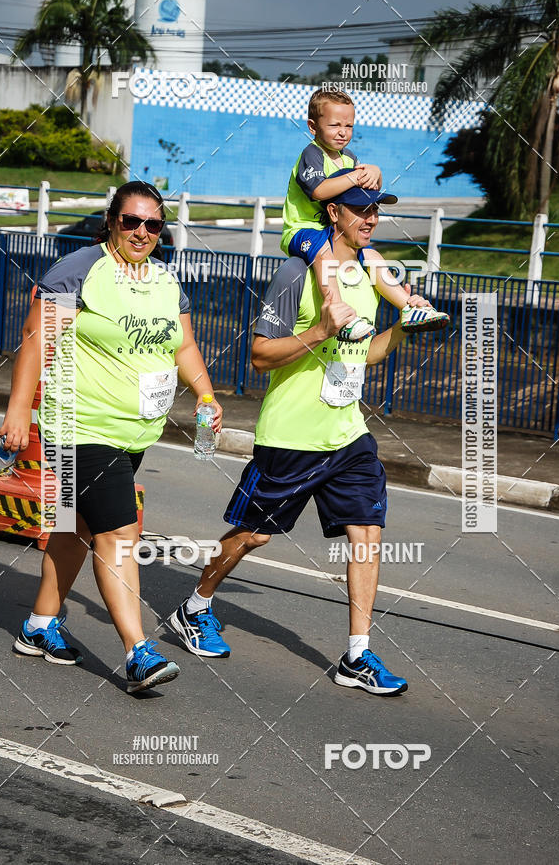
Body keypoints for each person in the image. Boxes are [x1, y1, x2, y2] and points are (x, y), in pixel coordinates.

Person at [171, 175, 431, 696]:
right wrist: (318, 332)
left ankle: (357, 653)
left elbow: (368, 353)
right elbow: (260, 355)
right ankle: (195, 605)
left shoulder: (367, 274)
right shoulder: (296, 273)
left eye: (377, 209)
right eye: (361, 209)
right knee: (255, 534)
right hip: (291, 434)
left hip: (348, 434)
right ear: (332, 214)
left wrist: (406, 324)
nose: (372, 218)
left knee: (367, 533)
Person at [0, 181, 222, 694]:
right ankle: (137, 653)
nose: (141, 231)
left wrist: (205, 395)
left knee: (75, 528)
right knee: (119, 535)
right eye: (131, 221)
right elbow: (37, 341)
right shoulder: (80, 270)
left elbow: (183, 344)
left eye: (153, 224)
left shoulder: (166, 282)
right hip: (80, 428)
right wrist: (17, 413)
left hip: (133, 433)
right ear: (112, 221)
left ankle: (38, 627)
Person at [281, 88, 449, 341]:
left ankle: (409, 307)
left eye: (349, 125)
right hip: (303, 230)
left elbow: (366, 192)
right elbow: (318, 190)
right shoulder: (312, 154)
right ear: (313, 127)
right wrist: (354, 176)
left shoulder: (349, 157)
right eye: (335, 124)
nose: (342, 132)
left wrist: (375, 171)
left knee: (371, 255)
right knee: (322, 252)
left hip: (332, 232)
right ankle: (338, 314)